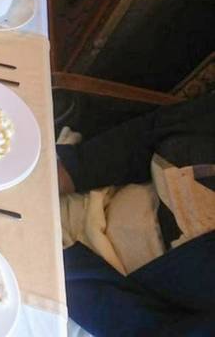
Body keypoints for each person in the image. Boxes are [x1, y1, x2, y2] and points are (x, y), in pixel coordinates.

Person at [56, 92, 215, 336]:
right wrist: (71, 171)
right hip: (94, 200)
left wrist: (57, 265)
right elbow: (155, 132)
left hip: (99, 307)